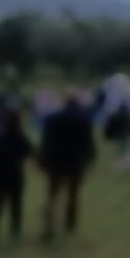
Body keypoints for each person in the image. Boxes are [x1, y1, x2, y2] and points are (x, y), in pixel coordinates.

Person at [38, 89, 97, 240]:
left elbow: (46, 142)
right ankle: (70, 224)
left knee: (52, 194)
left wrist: (42, 159)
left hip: (55, 162)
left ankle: (49, 223)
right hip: (75, 163)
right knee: (73, 195)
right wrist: (91, 158)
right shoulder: (83, 120)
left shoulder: (52, 119)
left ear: (64, 103)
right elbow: (88, 142)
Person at [0, 107, 33, 246]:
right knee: (16, 205)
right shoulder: (20, 138)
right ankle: (15, 230)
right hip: (13, 176)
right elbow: (30, 153)